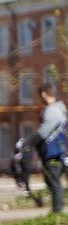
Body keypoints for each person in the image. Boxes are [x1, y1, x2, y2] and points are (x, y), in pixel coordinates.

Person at [33, 84, 66, 214]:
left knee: (54, 181)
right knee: (52, 180)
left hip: (53, 152)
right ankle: (57, 210)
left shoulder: (52, 110)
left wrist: (29, 142)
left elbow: (44, 132)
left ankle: (57, 211)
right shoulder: (61, 108)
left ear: (43, 94)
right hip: (57, 151)